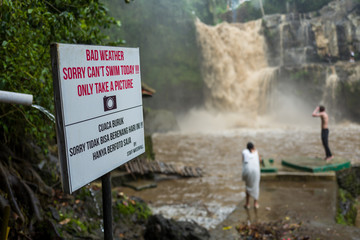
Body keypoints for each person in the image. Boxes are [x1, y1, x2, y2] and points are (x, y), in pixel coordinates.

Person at [242, 142, 261, 209]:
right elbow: (260, 160)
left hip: (247, 171)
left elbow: (243, 161)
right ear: (253, 147)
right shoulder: (256, 152)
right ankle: (255, 203)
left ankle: (247, 204)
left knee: (247, 186)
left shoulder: (244, 152)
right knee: (256, 186)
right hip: (256, 171)